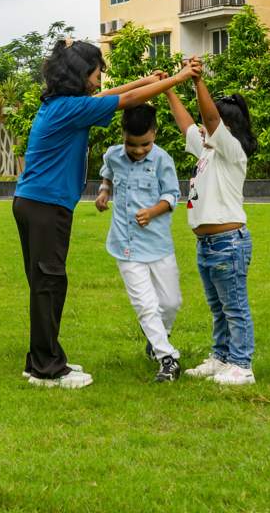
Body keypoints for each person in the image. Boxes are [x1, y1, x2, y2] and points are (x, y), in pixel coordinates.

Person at [13, 40, 200, 389]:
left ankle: (40, 359)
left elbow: (110, 96)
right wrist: (178, 78)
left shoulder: (63, 104)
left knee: (46, 284)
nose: (99, 81)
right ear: (82, 75)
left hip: (36, 203)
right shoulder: (69, 108)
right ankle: (46, 368)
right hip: (45, 206)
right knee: (49, 285)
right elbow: (121, 102)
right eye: (97, 74)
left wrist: (146, 81)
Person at [162, 58, 259, 386]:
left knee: (235, 306)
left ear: (226, 130)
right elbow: (187, 124)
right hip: (208, 245)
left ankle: (242, 365)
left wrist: (197, 81)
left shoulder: (232, 151)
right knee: (218, 308)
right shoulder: (207, 153)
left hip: (228, 242)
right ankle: (221, 357)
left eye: (211, 126)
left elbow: (208, 119)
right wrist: (169, 89)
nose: (203, 129)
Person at [94, 103, 183, 383]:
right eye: (132, 145)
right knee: (145, 305)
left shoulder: (162, 160)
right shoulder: (113, 155)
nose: (139, 150)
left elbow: (172, 195)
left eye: (145, 144)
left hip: (158, 244)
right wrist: (103, 193)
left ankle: (156, 338)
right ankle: (167, 359)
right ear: (123, 135)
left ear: (154, 134)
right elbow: (107, 174)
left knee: (170, 303)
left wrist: (152, 211)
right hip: (125, 245)